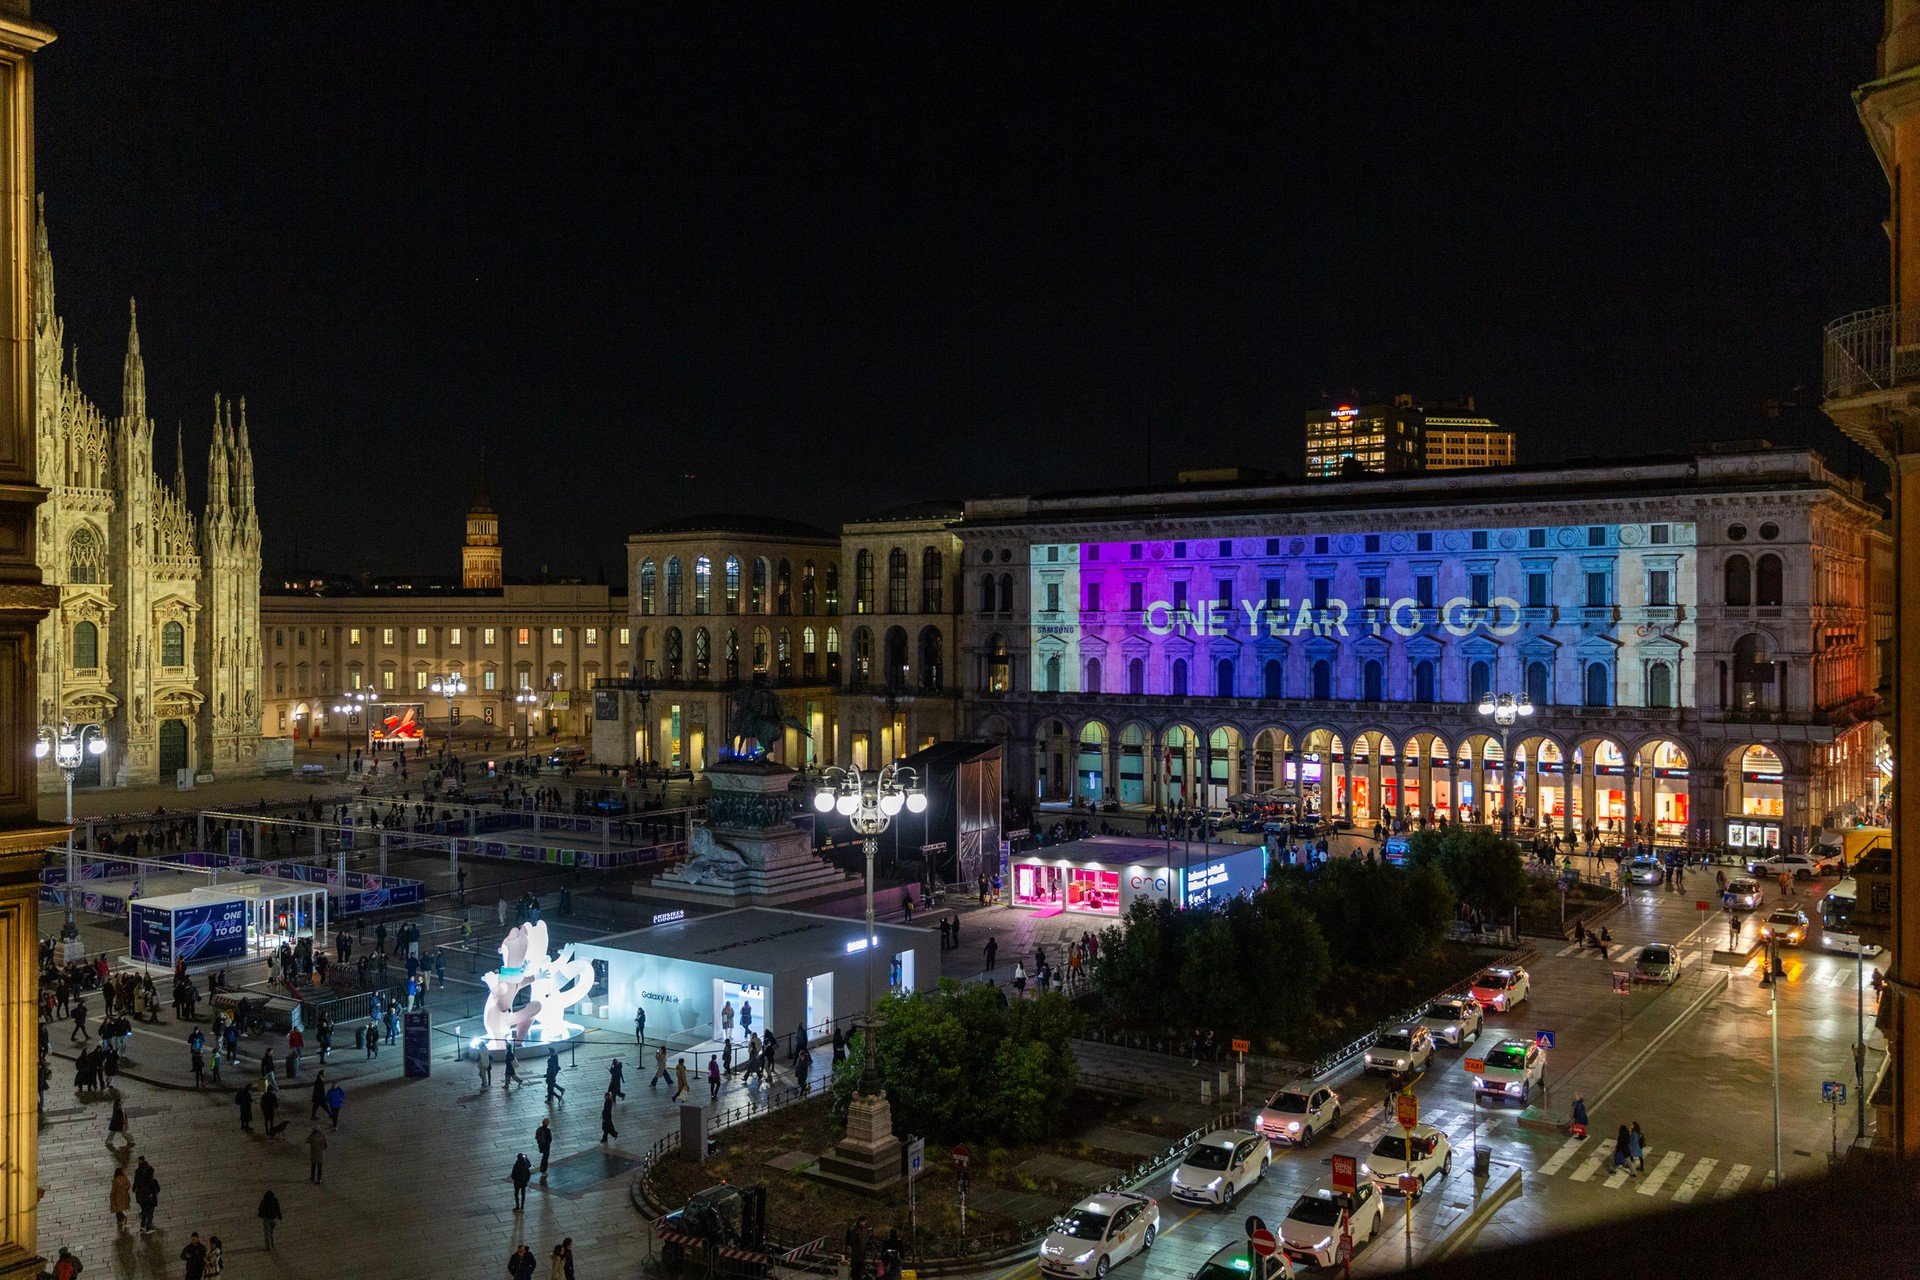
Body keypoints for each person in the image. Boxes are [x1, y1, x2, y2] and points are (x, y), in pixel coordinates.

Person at [132, 1155, 159, 1233]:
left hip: (142, 1199)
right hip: (151, 1200)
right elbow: (158, 1189)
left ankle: (142, 1226)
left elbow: (136, 1181)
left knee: (144, 1213)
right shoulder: (154, 1181)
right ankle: (148, 1228)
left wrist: (134, 1189)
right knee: (150, 1214)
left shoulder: (141, 1181)